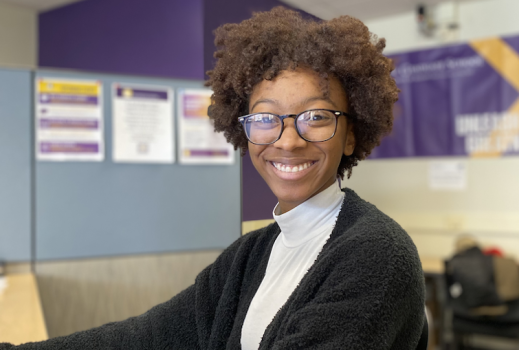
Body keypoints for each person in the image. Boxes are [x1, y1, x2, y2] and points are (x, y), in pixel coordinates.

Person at [1, 7, 425, 350]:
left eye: (315, 117)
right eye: (265, 118)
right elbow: (150, 336)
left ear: (351, 134)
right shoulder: (252, 253)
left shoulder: (375, 254)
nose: (288, 141)